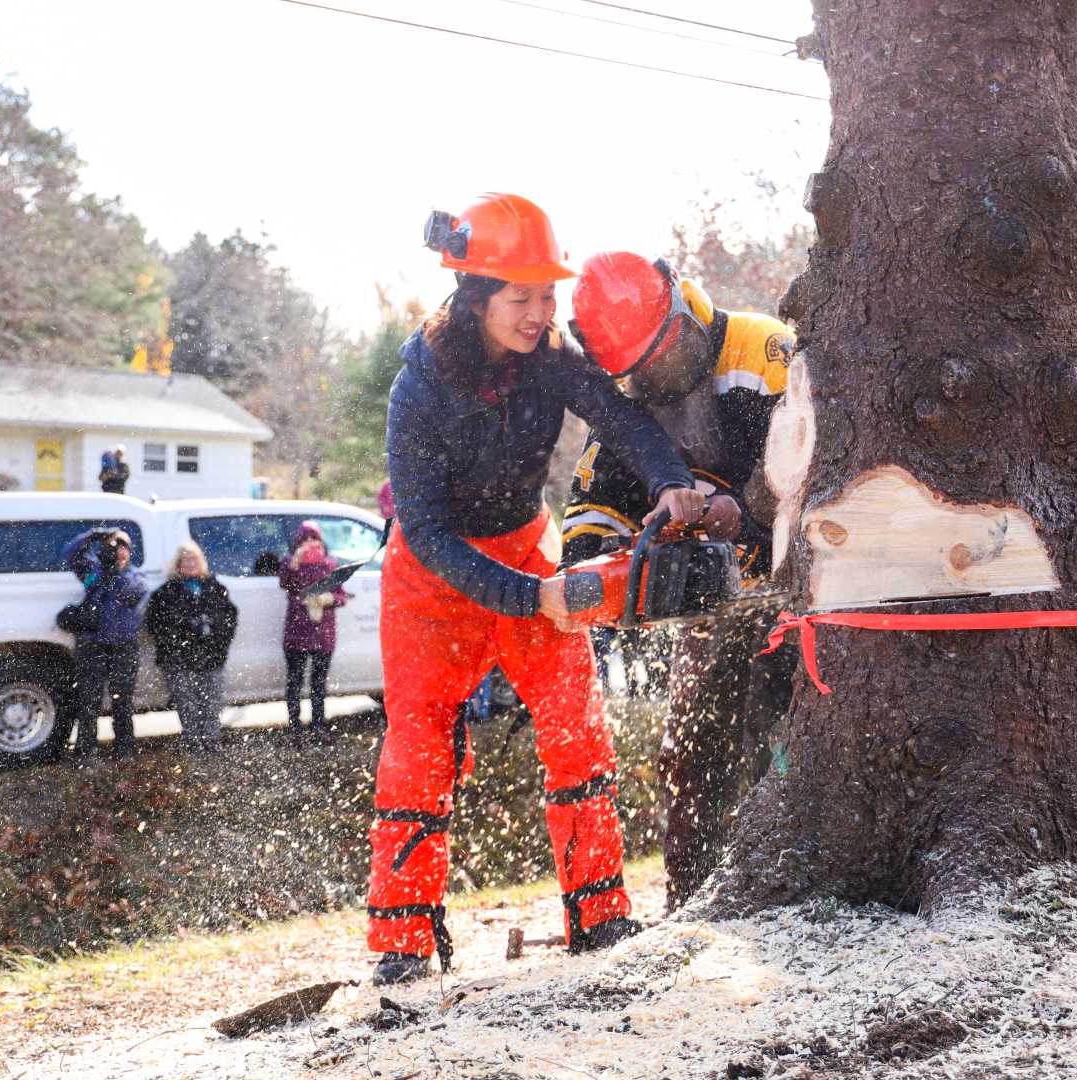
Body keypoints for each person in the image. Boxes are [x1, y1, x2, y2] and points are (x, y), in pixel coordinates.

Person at [367, 194, 703, 986]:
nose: (539, 312)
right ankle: (403, 942)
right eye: (521, 297)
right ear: (475, 295)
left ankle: (599, 912)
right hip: (433, 579)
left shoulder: (551, 358)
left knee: (576, 724)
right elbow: (428, 531)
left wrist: (670, 480)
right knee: (418, 749)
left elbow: (620, 419)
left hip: (527, 544)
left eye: (547, 295)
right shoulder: (417, 389)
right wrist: (528, 598)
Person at [564, 251, 796, 912]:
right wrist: (604, 557)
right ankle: (691, 901)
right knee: (692, 753)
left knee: (784, 740)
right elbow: (590, 504)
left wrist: (744, 513)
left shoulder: (762, 353)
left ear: (681, 308)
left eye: (663, 354)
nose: (657, 374)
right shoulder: (629, 402)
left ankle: (787, 888)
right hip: (712, 607)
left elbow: (821, 456)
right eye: (641, 368)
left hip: (798, 592)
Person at [60, 528, 148, 762]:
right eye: (113, 546)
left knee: (123, 701)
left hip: (124, 647)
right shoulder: (92, 570)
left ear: (130, 551)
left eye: (123, 546)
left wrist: (114, 571)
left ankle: (124, 752)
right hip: (92, 645)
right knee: (89, 701)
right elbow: (69, 552)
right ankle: (85, 753)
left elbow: (131, 594)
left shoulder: (137, 576)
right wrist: (93, 536)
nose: (118, 551)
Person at [145, 541, 238, 754]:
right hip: (178, 661)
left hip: (211, 658)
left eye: (194, 559)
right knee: (188, 706)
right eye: (185, 560)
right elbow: (154, 625)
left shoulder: (215, 588)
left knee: (212, 704)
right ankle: (194, 747)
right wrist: (178, 641)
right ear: (178, 564)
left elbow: (229, 620)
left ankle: (212, 745)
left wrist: (218, 644)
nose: (190, 563)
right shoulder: (166, 592)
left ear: (201, 561)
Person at [279, 521, 347, 747]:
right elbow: (285, 584)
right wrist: (295, 562)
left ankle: (319, 727)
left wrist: (328, 599)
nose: (309, 543)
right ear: (298, 543)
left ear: (321, 541)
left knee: (318, 682)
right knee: (295, 681)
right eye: (305, 539)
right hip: (296, 632)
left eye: (313, 538)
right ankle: (295, 728)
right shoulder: (290, 562)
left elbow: (341, 596)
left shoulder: (330, 564)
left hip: (322, 634)